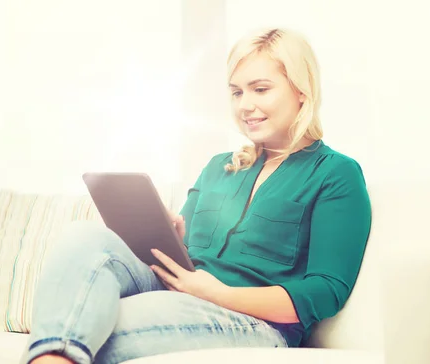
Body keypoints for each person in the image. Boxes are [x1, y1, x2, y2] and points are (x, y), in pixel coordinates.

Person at [21, 27, 372, 364]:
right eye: (237, 92)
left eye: (260, 89)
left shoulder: (335, 173)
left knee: (94, 323)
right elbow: (185, 259)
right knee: (84, 237)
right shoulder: (221, 167)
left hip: (249, 320)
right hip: (177, 290)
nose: (245, 105)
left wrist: (216, 293)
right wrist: (174, 237)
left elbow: (326, 292)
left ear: (301, 90)